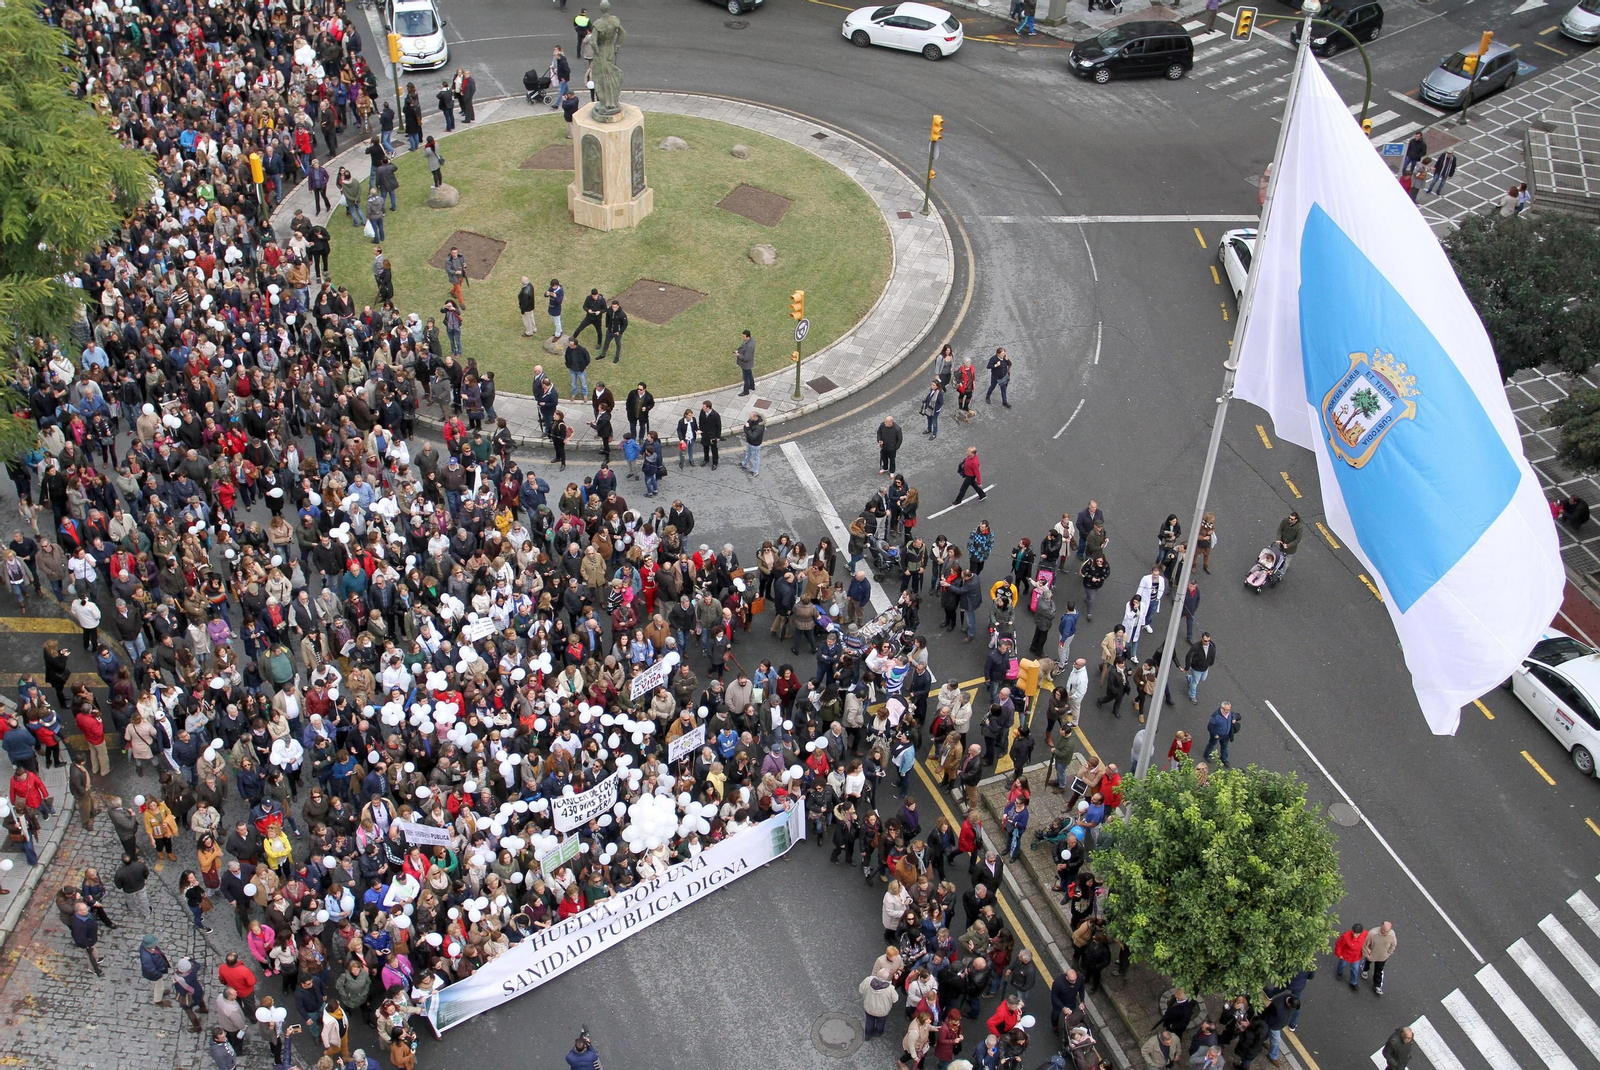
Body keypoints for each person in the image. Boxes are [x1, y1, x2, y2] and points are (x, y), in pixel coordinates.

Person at [1362, 920, 1397, 994]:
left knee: (1379, 970)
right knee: (1367, 962)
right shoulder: (1372, 933)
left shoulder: (1392, 935)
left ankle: (1377, 985)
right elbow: (1365, 944)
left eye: (1387, 931)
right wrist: (1366, 955)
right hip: (1372, 953)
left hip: (1383, 956)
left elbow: (1393, 945)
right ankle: (1365, 970)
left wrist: (1388, 953)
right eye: (1383, 930)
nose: (1384, 932)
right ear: (1381, 927)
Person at [69, 899, 103, 975]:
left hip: (91, 938)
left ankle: (96, 959)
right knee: (90, 955)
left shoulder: (85, 915)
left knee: (94, 952)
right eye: (84, 910)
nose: (87, 910)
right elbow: (80, 938)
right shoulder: (79, 924)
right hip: (88, 943)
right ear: (78, 911)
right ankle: (92, 968)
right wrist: (88, 944)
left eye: (86, 908)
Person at [1184, 633, 1216, 704]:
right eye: (1205, 641)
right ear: (1202, 639)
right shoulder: (1196, 647)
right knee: (1195, 683)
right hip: (1196, 668)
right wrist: (1187, 667)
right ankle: (1192, 696)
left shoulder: (1212, 646)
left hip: (1205, 667)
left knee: (1202, 679)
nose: (1207, 642)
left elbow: (1213, 653)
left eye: (1208, 641)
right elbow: (1188, 656)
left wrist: (1211, 662)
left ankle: (1189, 678)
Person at [1201, 702, 1236, 766]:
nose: (1228, 711)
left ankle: (1224, 759)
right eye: (1227, 709)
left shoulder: (1229, 713)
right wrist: (1215, 734)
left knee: (1225, 747)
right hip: (1217, 735)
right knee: (1211, 745)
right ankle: (1206, 755)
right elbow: (1210, 727)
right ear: (1222, 708)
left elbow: (1234, 715)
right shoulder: (1216, 716)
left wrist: (1233, 718)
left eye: (1229, 709)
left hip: (1226, 735)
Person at [698, 400, 722, 469]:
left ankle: (715, 463)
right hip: (705, 434)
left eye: (704, 407)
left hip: (712, 435)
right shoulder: (702, 412)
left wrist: (718, 437)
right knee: (705, 448)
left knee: (714, 449)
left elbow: (719, 426)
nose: (703, 408)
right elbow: (700, 421)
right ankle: (706, 459)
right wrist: (700, 429)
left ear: (708, 408)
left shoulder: (715, 415)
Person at [735, 330, 757, 396]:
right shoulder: (750, 341)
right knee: (749, 374)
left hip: (746, 365)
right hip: (748, 364)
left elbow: (746, 358)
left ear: (748, 337)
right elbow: (743, 347)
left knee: (746, 378)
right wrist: (738, 350)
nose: (743, 338)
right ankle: (752, 386)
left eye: (744, 337)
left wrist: (738, 355)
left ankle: (746, 391)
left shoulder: (749, 346)